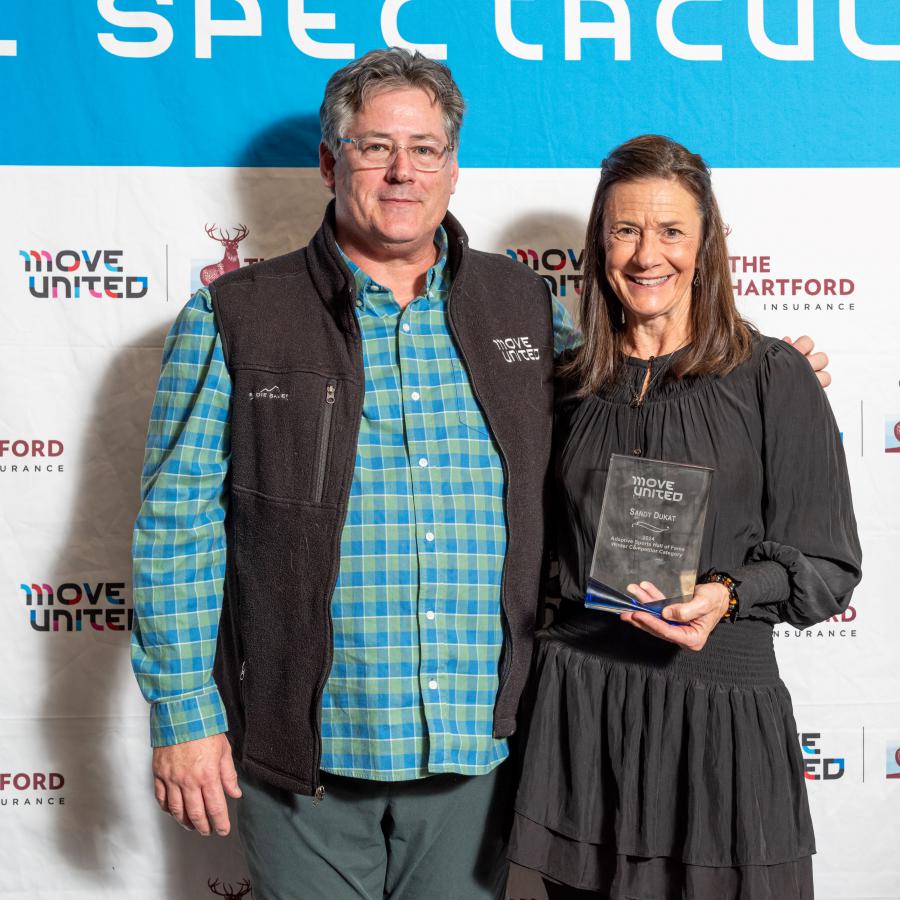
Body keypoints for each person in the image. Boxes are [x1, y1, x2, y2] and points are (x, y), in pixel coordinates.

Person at [130, 51, 831, 899]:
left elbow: (638, 379)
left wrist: (758, 375)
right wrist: (183, 716)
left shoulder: (524, 308)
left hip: (483, 753)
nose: (402, 171)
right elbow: (177, 530)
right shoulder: (234, 317)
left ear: (454, 169)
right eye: (374, 146)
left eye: (425, 149)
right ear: (327, 161)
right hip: (305, 746)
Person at [507, 135, 862, 900]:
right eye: (626, 230)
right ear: (600, 242)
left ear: (707, 246)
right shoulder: (563, 386)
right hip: (581, 711)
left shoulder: (772, 374)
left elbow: (827, 566)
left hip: (718, 721)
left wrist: (726, 593)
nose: (646, 255)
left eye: (671, 231)